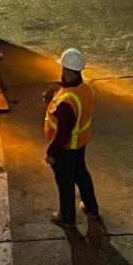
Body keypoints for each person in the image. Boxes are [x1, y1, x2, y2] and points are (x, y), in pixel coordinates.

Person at [43, 47, 100, 229]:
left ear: (66, 70)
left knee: (65, 182)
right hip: (80, 144)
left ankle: (67, 218)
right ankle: (91, 208)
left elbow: (62, 133)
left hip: (65, 149)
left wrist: (51, 152)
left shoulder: (66, 102)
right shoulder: (86, 87)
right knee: (81, 174)